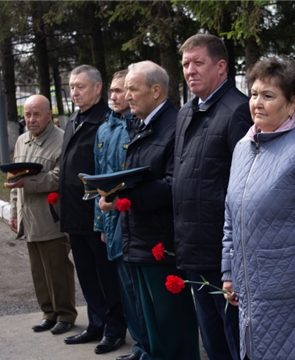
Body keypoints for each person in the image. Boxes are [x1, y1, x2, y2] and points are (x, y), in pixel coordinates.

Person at [221, 57, 295, 360]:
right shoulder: (243, 148)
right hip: (253, 297)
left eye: (268, 96)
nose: (257, 103)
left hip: (294, 297)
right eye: (254, 94)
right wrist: (228, 272)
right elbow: (230, 219)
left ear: (293, 103)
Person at [100, 60, 200, 359]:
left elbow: (174, 184)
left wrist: (124, 198)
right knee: (154, 327)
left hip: (162, 243)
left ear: (156, 91)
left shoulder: (175, 125)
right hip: (140, 238)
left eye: (133, 88)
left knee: (174, 328)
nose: (126, 95)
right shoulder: (141, 124)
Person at [172, 33, 253, 360]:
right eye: (185, 64)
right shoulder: (186, 112)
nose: (190, 70)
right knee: (212, 341)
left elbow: (244, 188)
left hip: (222, 254)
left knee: (234, 341)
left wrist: (231, 258)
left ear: (221, 67)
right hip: (192, 246)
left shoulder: (237, 111)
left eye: (198, 63)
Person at [60, 65, 127, 354]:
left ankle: (114, 329)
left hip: (96, 214)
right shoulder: (74, 119)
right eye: (72, 87)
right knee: (87, 275)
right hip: (74, 213)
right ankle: (96, 324)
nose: (74, 92)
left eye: (80, 86)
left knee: (106, 276)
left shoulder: (105, 121)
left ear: (97, 88)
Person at [4, 94, 77, 336]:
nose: (31, 119)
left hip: (51, 216)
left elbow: (60, 176)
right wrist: (14, 212)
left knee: (57, 269)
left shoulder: (62, 139)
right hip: (29, 217)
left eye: (37, 114)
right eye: (27, 115)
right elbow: (14, 180)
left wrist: (29, 182)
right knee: (38, 271)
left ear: (49, 115)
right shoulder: (22, 140)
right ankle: (49, 313)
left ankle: (65, 314)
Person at [93, 70, 149, 360]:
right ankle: (140, 346)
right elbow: (99, 178)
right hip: (112, 222)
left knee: (141, 294)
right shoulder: (104, 129)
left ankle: (150, 348)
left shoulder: (137, 127)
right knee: (127, 292)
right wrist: (101, 222)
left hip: (135, 220)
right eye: (112, 91)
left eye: (120, 91)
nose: (115, 96)